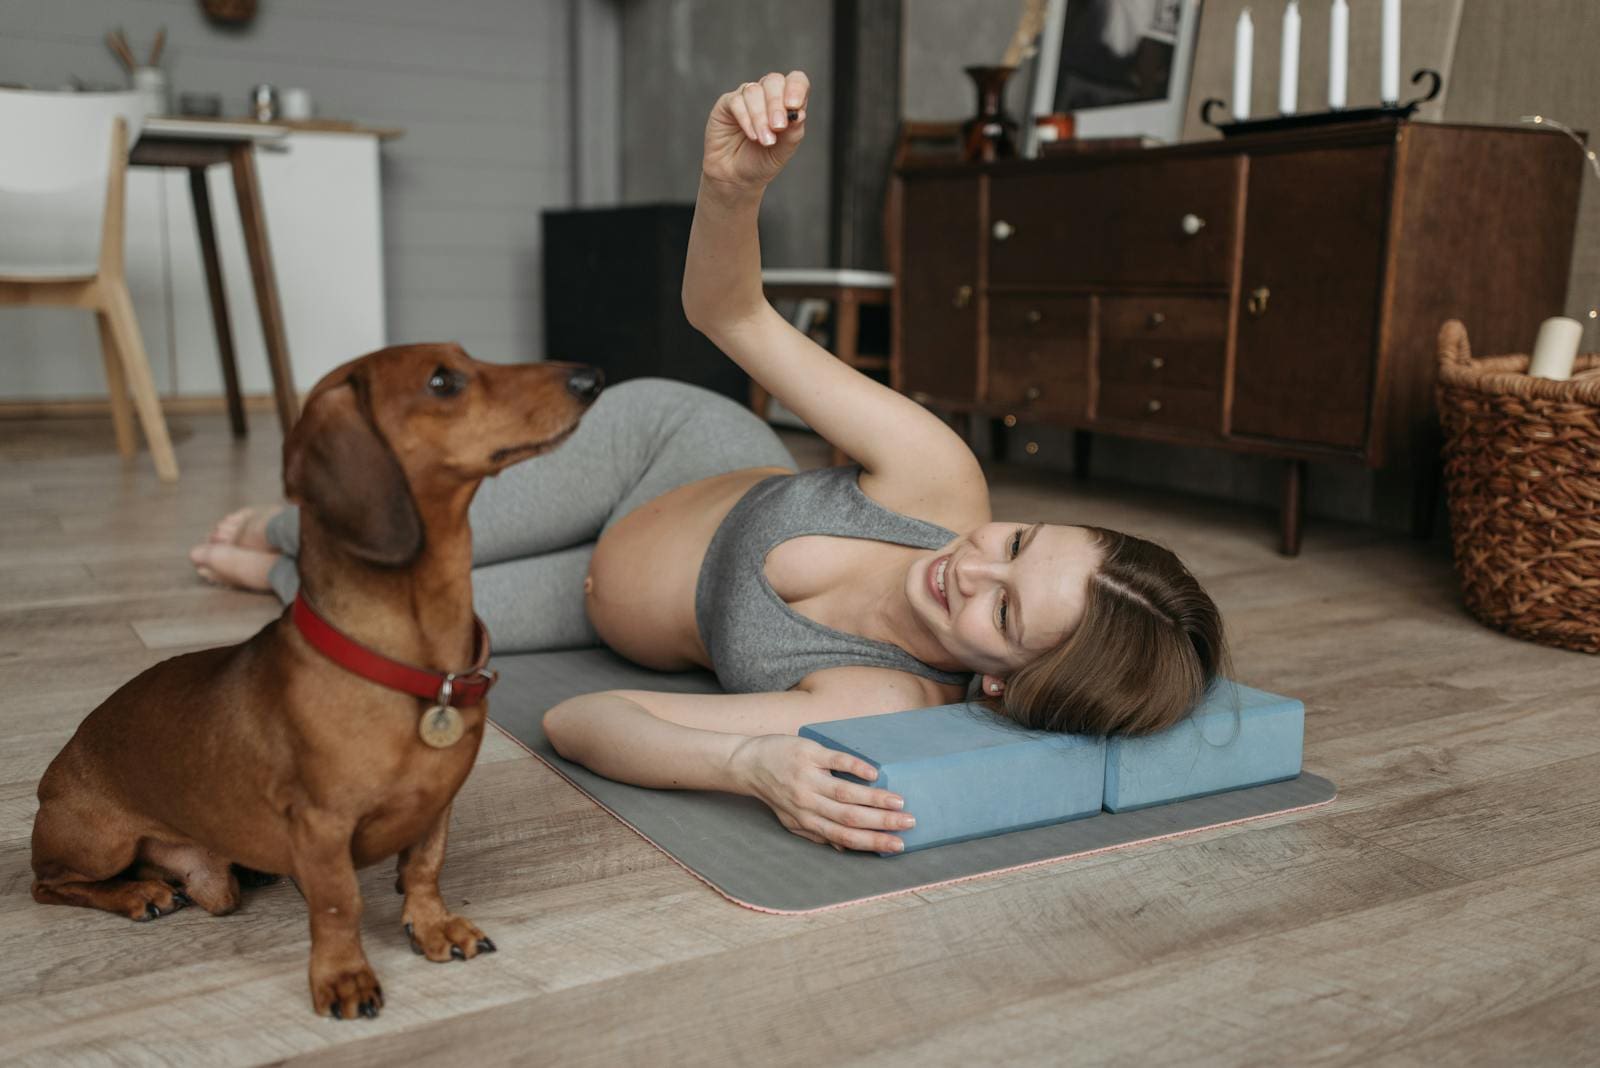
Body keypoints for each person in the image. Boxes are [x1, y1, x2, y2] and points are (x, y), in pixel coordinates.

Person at [190, 71, 1226, 855]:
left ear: (1004, 689)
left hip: (599, 598)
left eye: (1001, 614)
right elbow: (726, 314)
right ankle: (277, 525)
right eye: (1016, 542)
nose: (972, 565)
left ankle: (269, 564)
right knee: (371, 524)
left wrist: (746, 763)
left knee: (395, 618)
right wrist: (732, 190)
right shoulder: (935, 482)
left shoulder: (880, 701)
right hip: (664, 453)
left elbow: (576, 718)